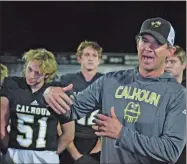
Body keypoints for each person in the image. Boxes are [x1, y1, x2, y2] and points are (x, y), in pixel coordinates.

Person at [43, 17, 186, 164]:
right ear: (137, 43)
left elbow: (171, 150)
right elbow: (71, 110)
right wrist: (50, 95)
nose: (148, 47)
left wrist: (121, 134)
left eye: (158, 43)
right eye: (144, 40)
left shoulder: (177, 94)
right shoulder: (110, 81)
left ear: (170, 51)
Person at [0, 48, 74, 164]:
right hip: (15, 154)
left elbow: (69, 134)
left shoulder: (56, 91)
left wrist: (51, 153)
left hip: (45, 156)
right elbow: (1, 124)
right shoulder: (12, 84)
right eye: (29, 69)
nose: (31, 75)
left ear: (47, 75)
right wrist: (8, 148)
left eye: (37, 73)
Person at [59, 41, 103, 164]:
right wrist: (74, 153)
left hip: (94, 141)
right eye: (87, 55)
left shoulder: (106, 81)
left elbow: (110, 118)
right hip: (70, 139)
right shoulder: (67, 80)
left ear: (99, 60)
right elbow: (58, 118)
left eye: (94, 55)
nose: (90, 59)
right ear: (79, 58)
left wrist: (96, 150)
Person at [165, 45, 186, 164]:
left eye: (173, 61)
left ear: (184, 65)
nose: (167, 65)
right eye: (166, 61)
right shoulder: (155, 89)